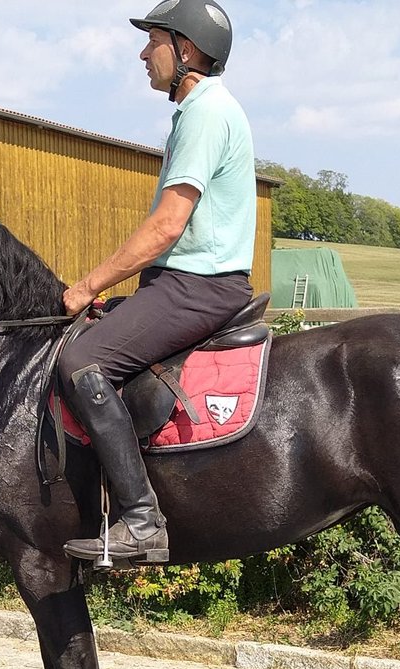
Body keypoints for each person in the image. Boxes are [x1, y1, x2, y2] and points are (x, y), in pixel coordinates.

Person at [59, 0, 256, 565]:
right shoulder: (200, 111)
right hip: (185, 282)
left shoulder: (205, 112)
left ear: (186, 51)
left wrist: (86, 285)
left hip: (198, 285)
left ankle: (142, 521)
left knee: (82, 363)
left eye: (154, 42)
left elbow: (168, 225)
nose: (144, 53)